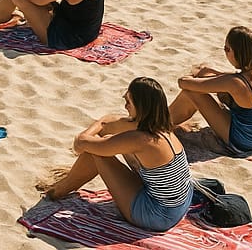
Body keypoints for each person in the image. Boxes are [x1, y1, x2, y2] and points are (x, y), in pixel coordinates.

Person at [39, 77, 193, 233]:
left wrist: (83, 141)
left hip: (157, 216)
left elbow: (84, 144)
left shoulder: (139, 139)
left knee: (97, 153)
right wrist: (93, 136)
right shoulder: (161, 127)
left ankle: (58, 191)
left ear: (141, 107)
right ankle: (69, 180)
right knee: (108, 144)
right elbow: (106, 122)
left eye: (129, 102)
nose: (125, 106)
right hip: (181, 202)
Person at [168, 26, 252, 157]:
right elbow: (229, 79)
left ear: (236, 52)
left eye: (227, 49)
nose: (225, 53)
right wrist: (211, 73)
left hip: (243, 142)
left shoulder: (235, 83)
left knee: (191, 93)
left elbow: (183, 83)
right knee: (208, 90)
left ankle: (158, 123)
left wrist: (193, 75)